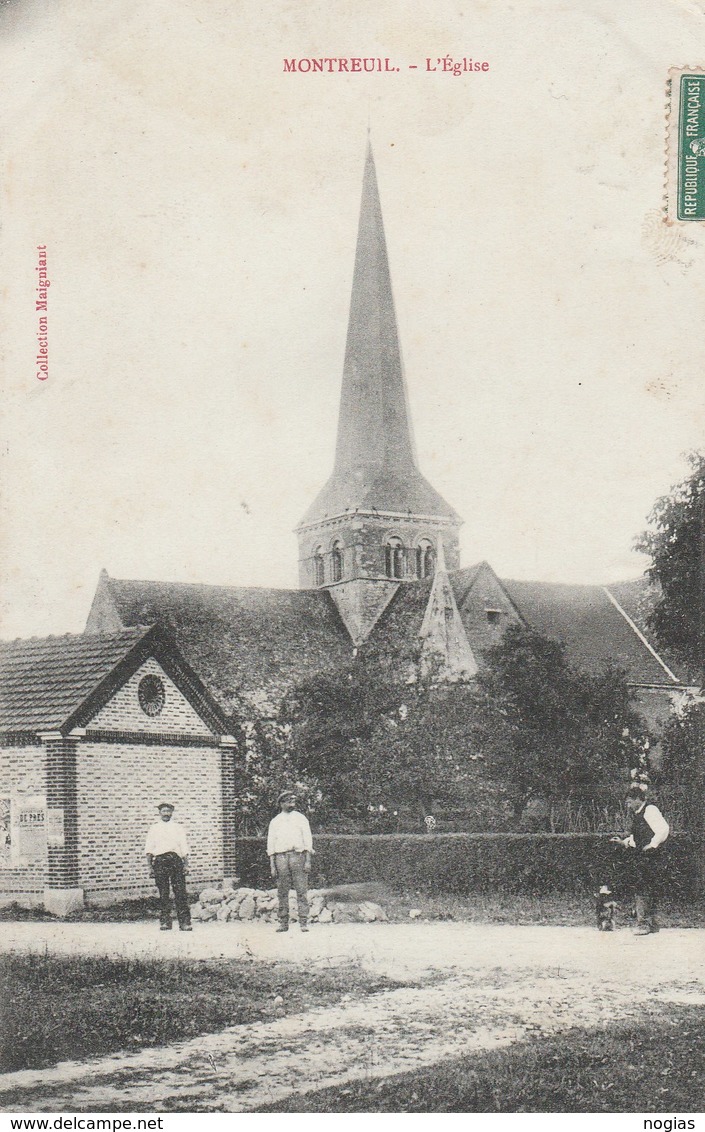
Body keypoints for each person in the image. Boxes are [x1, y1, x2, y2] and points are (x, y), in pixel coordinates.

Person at [612, 786, 669, 935]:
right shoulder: (639, 814)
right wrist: (624, 842)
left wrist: (652, 845)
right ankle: (650, 923)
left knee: (643, 888)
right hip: (643, 856)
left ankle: (644, 924)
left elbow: (663, 829)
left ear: (638, 799)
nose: (628, 805)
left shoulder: (650, 810)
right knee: (646, 887)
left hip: (651, 856)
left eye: (630, 801)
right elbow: (637, 838)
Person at [267, 789, 313, 933]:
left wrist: (307, 860)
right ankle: (283, 922)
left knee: (301, 890)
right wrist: (272, 865)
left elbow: (308, 840)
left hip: (297, 856)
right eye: (288, 801)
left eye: (293, 801)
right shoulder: (275, 821)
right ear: (281, 804)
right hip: (281, 858)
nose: (291, 803)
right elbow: (271, 844)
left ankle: (303, 922)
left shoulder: (301, 818)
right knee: (282, 891)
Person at [145, 802, 192, 931]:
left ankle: (184, 923)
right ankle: (165, 922)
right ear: (159, 813)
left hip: (175, 861)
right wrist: (150, 867)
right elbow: (149, 848)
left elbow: (184, 846)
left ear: (172, 813)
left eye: (168, 811)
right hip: (160, 861)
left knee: (180, 892)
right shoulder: (154, 828)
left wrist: (186, 865)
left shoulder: (178, 828)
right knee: (163, 893)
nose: (166, 814)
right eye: (164, 811)